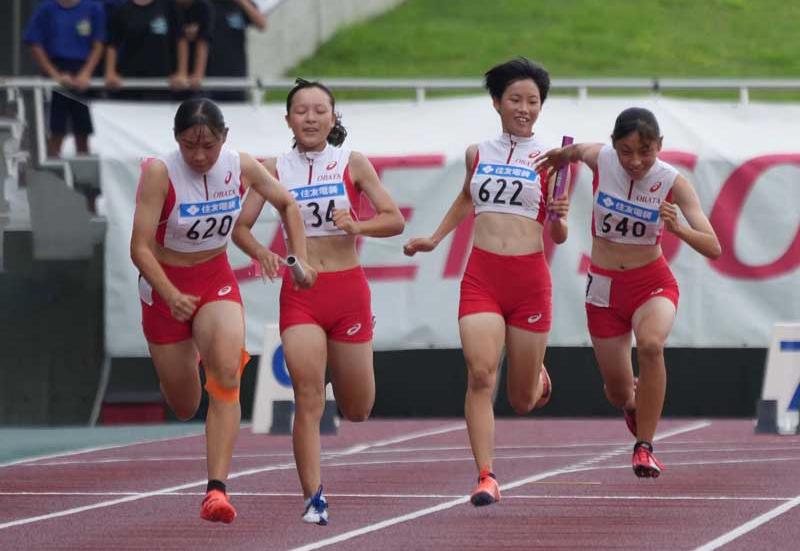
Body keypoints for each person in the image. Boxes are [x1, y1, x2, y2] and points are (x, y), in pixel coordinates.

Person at [130, 97, 315, 523]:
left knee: (227, 374)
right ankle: (188, 352)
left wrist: (298, 259)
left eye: (208, 146)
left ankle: (216, 490)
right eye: (189, 145)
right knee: (184, 403)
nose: (199, 156)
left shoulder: (241, 165)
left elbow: (287, 203)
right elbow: (140, 247)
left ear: (224, 139)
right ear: (176, 141)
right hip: (165, 285)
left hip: (214, 279)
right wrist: (170, 294)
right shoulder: (160, 172)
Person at [232, 78, 405, 525]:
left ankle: (348, 367)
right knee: (307, 396)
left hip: (348, 292)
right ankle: (314, 498)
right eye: (301, 111)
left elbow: (395, 219)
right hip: (302, 294)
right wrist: (264, 255)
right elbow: (241, 228)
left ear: (333, 116)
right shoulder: (272, 167)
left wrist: (358, 226)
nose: (310, 118)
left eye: (318, 110)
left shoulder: (353, 162)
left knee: (358, 409)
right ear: (288, 119)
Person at [403, 57, 569, 506]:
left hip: (530, 279)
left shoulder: (554, 160)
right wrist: (434, 240)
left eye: (533, 101)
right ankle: (485, 475)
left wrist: (559, 218)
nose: (524, 108)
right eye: (515, 99)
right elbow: (465, 197)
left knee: (520, 400)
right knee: (479, 374)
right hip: (483, 276)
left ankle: (536, 379)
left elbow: (558, 233)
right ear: (497, 102)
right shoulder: (478, 153)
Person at [534, 107, 721, 478]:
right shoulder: (601, 158)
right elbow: (576, 151)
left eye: (646, 151)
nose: (636, 161)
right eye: (626, 151)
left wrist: (678, 229)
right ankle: (634, 401)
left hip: (652, 283)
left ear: (660, 146)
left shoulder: (672, 182)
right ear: (614, 146)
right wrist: (561, 155)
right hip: (604, 288)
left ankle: (644, 447)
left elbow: (713, 246)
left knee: (651, 345)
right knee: (618, 393)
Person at [23, 0, 106, 157]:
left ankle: (84, 179)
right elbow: (35, 44)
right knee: (55, 130)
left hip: (84, 74)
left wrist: (86, 73)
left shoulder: (93, 8)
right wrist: (55, 76)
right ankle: (51, 174)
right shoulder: (45, 9)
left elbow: (99, 44)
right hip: (54, 72)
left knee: (83, 131)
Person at [105, 0, 180, 101]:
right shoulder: (121, 10)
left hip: (163, 83)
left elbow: (180, 39)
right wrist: (110, 72)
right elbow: (112, 44)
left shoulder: (168, 4)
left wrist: (180, 72)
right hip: (129, 84)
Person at [205, 0, 267, 102]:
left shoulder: (242, 2)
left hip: (237, 77)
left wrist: (242, 0)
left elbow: (262, 24)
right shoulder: (204, 2)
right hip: (208, 80)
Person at [170, 0, 213, 96]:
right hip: (171, 72)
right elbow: (180, 37)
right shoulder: (170, 4)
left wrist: (198, 74)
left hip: (193, 72)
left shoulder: (202, 7)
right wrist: (181, 72)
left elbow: (203, 42)